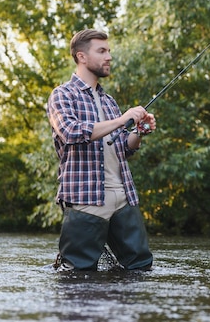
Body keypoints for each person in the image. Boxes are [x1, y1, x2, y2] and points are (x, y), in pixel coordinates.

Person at [47, 29, 155, 272]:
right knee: (77, 274)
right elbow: (71, 132)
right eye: (102, 51)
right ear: (82, 57)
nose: (109, 57)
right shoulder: (62, 95)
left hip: (123, 197)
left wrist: (138, 132)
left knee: (141, 269)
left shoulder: (109, 101)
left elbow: (122, 148)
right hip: (86, 200)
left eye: (109, 51)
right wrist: (121, 120)